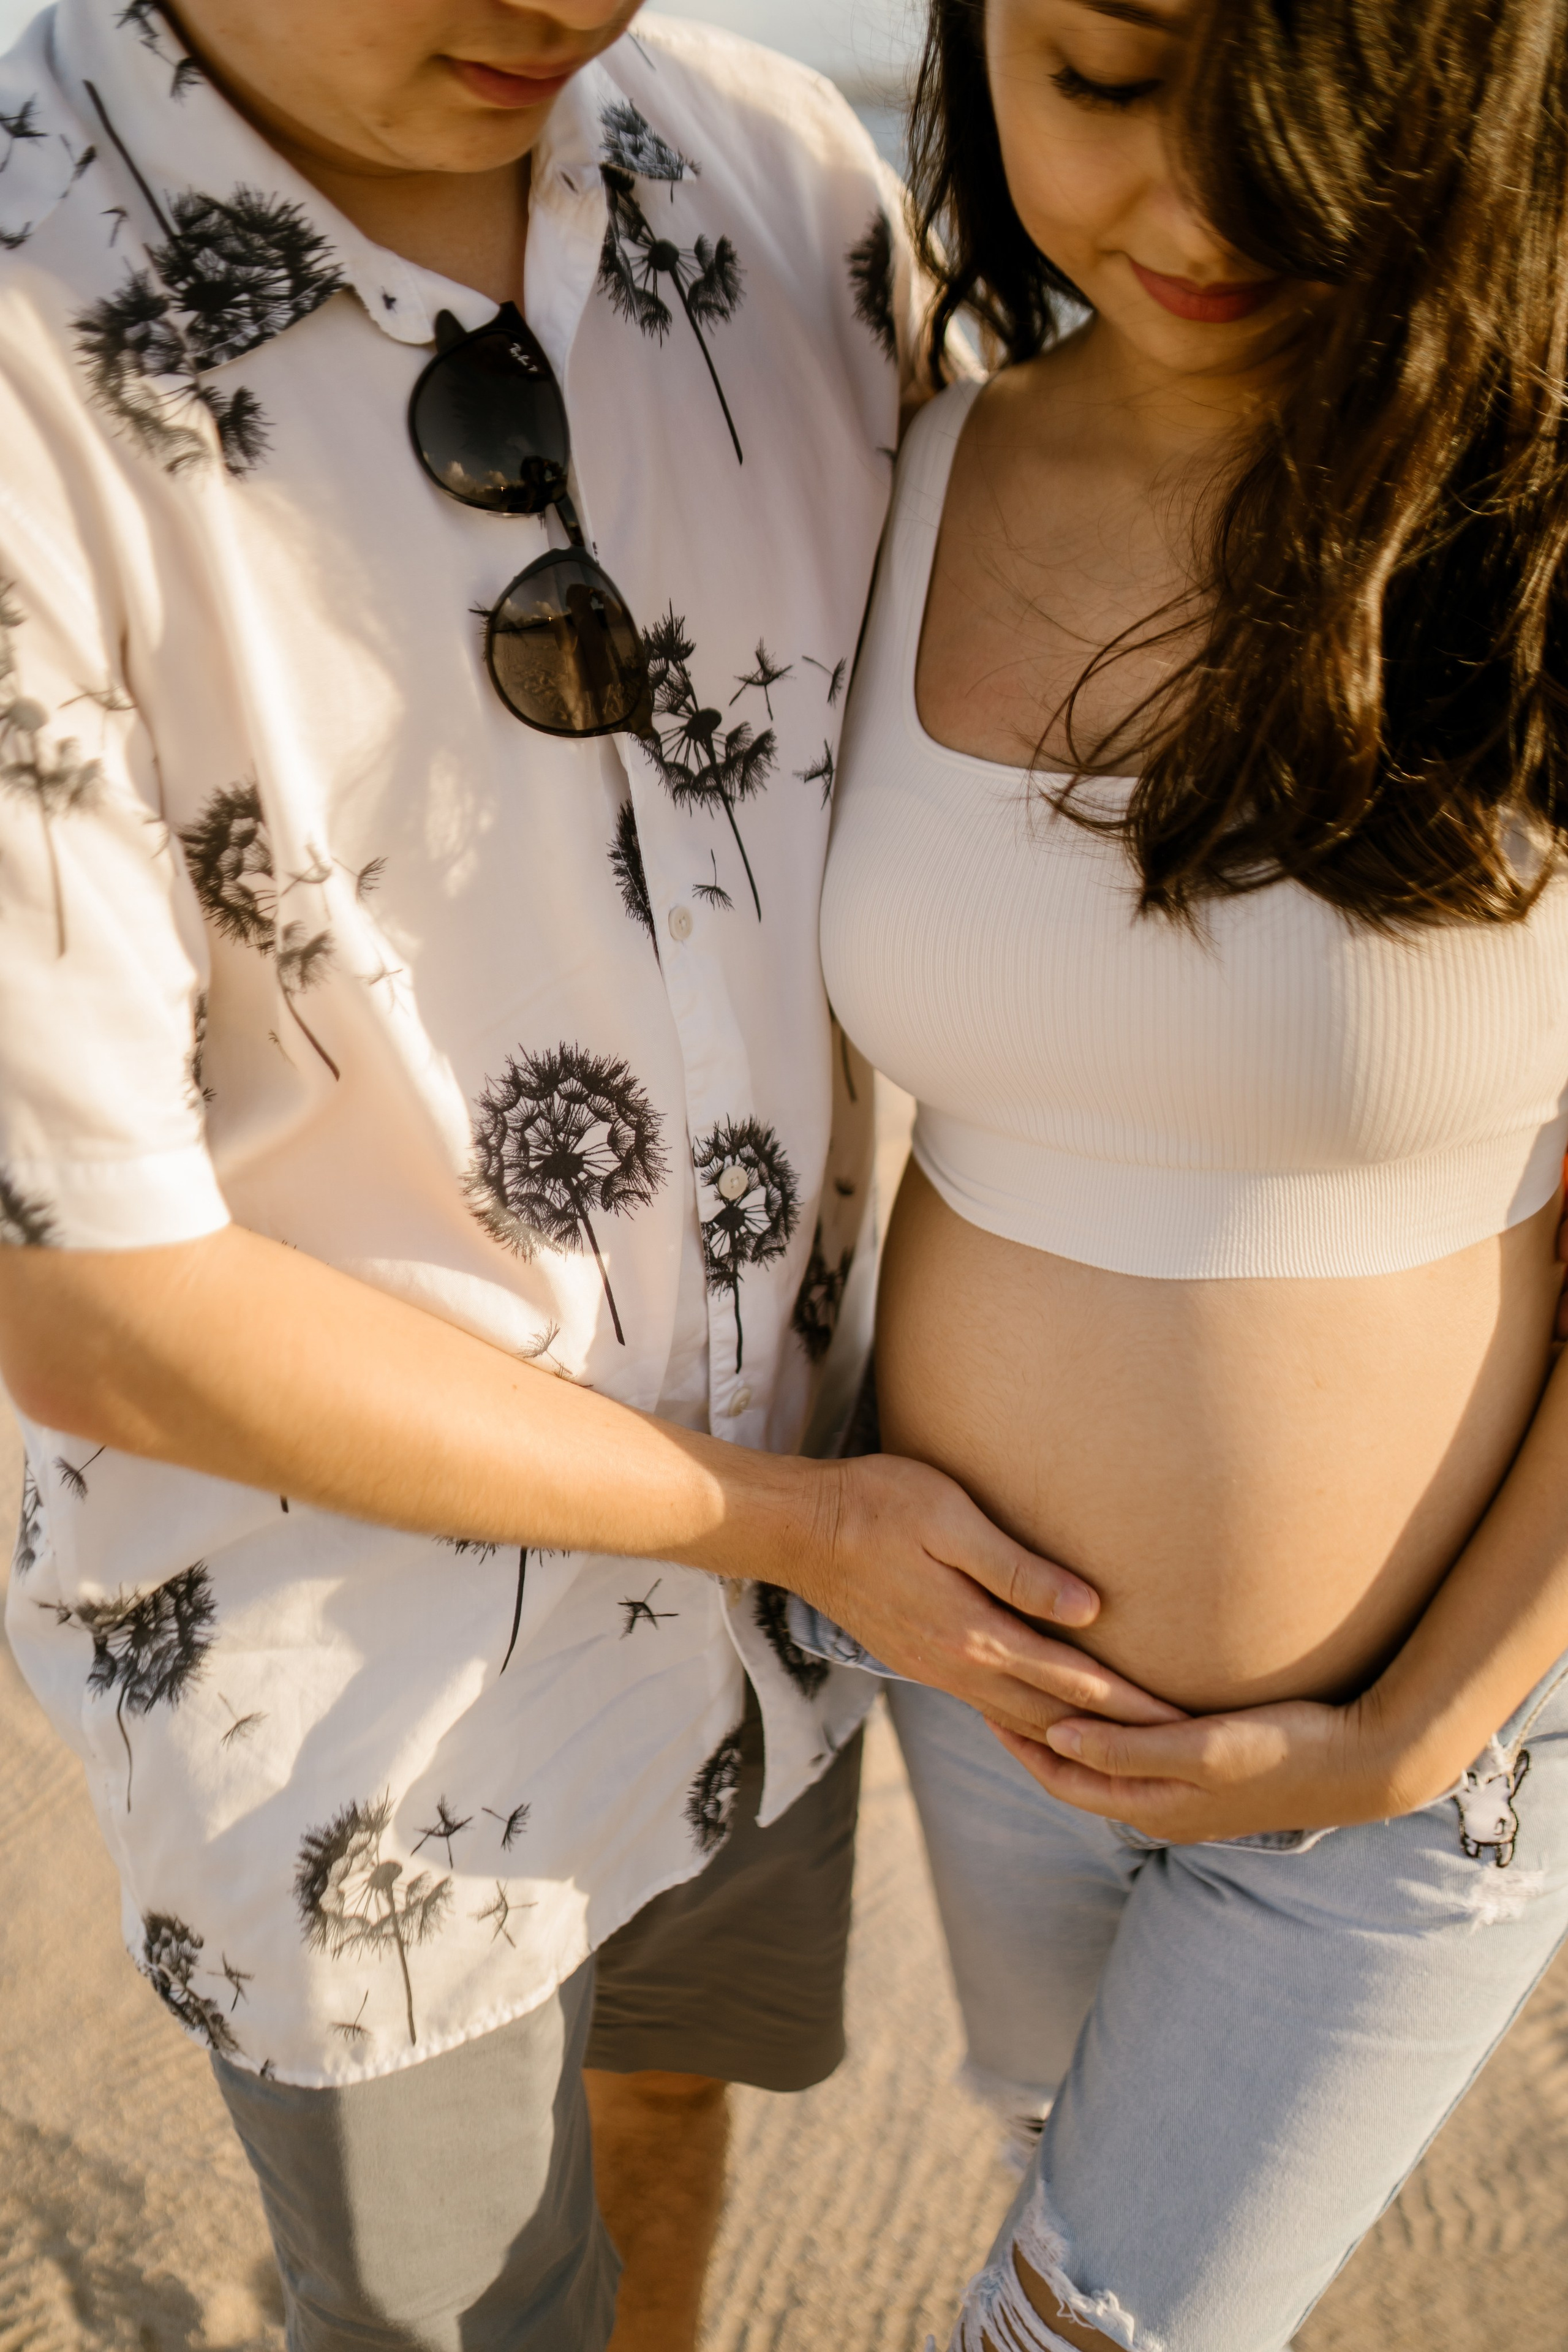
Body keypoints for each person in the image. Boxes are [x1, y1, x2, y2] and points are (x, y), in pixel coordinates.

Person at [0, 4, 1170, 2349]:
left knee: (670, 2105)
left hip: (800, 1595)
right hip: (355, 1706)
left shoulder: (770, 169)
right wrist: (791, 1527)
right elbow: (95, 1299)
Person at [820, 0, 1568, 2346]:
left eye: (1301, 116)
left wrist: (1414, 1731)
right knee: (1065, 2166)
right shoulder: (889, 466)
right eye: (1110, 86)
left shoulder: (1539, 517)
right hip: (983, 1704)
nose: (1203, 205)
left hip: (1414, 1755)